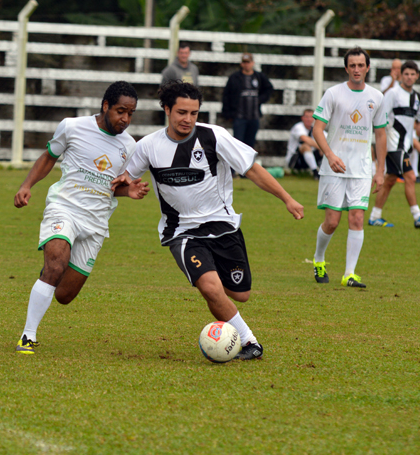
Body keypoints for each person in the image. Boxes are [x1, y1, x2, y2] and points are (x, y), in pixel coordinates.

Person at [114, 80, 304, 360]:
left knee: (241, 294)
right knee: (210, 287)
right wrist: (128, 190)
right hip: (181, 232)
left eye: (193, 113)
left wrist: (287, 198)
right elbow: (120, 183)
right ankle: (250, 342)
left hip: (223, 227)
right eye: (181, 112)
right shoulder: (148, 147)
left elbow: (251, 169)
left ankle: (221, 299)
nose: (187, 119)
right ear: (167, 109)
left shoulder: (214, 137)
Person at [14, 81, 149, 355]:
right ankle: (27, 336)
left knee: (64, 295)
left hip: (96, 223)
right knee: (55, 264)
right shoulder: (72, 126)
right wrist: (27, 185)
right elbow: (49, 156)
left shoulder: (129, 146)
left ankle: (48, 279)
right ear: (105, 106)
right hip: (64, 208)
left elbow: (116, 186)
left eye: (131, 113)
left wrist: (129, 190)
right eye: (121, 111)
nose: (125, 119)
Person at [311, 47, 388, 289]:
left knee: (357, 218)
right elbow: (316, 129)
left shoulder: (377, 97)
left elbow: (381, 134)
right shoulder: (333, 94)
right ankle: (319, 259)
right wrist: (330, 155)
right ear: (346, 68)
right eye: (352, 65)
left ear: (367, 67)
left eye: (360, 65)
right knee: (332, 221)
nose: (356, 69)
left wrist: (380, 170)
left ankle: (350, 274)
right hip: (334, 168)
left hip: (362, 169)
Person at [368, 61, 420, 229]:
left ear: (417, 76)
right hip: (393, 145)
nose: (409, 77)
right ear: (401, 75)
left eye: (412, 74)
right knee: (410, 177)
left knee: (390, 180)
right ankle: (417, 216)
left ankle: (375, 216)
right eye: (406, 74)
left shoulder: (418, 98)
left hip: (405, 145)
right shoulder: (393, 94)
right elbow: (382, 117)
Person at [221, 53, 274, 149]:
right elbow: (226, 95)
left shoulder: (259, 77)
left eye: (248, 62)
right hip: (239, 117)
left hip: (254, 116)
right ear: (241, 64)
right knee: (237, 143)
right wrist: (227, 113)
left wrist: (260, 99)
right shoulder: (234, 77)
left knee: (250, 144)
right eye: (244, 62)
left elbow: (269, 89)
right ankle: (237, 164)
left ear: (252, 63)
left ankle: (248, 164)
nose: (246, 65)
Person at [285, 109, 323, 179]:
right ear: (302, 118)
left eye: (311, 117)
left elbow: (326, 138)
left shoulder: (315, 129)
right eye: (306, 117)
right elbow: (305, 139)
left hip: (309, 158)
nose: (308, 119)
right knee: (306, 146)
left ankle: (324, 172)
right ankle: (315, 173)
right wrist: (322, 148)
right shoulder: (298, 127)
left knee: (325, 149)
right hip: (295, 160)